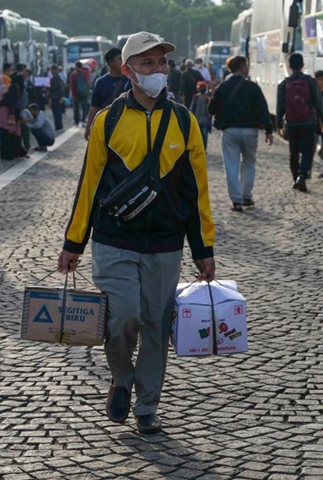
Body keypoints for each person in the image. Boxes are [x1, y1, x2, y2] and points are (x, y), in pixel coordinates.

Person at [58, 32, 215, 435]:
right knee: (123, 316)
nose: (158, 70)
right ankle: (121, 377)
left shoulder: (184, 120)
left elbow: (197, 189)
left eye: (162, 63)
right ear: (128, 71)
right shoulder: (107, 120)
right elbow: (88, 183)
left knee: (156, 326)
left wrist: (203, 248)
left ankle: (147, 404)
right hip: (114, 240)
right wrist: (73, 242)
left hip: (165, 243)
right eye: (147, 64)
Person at [208, 55, 273, 211]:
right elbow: (263, 110)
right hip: (250, 131)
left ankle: (236, 200)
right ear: (243, 68)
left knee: (231, 165)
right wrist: (269, 131)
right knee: (249, 163)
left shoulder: (222, 87)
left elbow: (211, 109)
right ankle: (247, 196)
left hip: (230, 131)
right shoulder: (253, 87)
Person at [276, 53, 323, 192]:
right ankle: (302, 175)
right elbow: (318, 102)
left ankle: (295, 177)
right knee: (307, 151)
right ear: (303, 65)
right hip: (308, 121)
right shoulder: (310, 81)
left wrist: (278, 122)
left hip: (292, 122)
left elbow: (280, 105)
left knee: (294, 151)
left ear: (289, 66)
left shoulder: (284, 83)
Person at [84, 48, 130, 141]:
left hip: (126, 125)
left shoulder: (130, 80)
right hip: (106, 125)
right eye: (119, 59)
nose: (122, 61)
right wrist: (88, 127)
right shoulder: (101, 82)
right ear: (110, 61)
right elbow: (94, 107)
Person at [0, 72, 27, 160]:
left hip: (6, 111)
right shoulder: (16, 88)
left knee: (5, 134)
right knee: (12, 134)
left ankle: (7, 154)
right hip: (11, 112)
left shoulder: (8, 87)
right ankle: (14, 152)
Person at [189, 81, 212, 149]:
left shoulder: (206, 98)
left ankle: (203, 149)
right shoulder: (196, 97)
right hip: (199, 119)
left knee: (203, 136)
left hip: (203, 120)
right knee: (200, 136)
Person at [69, 61, 91, 126]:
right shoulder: (86, 72)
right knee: (84, 107)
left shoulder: (73, 74)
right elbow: (89, 82)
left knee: (76, 108)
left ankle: (76, 121)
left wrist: (73, 94)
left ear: (77, 67)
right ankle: (83, 120)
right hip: (85, 93)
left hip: (77, 94)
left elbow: (72, 85)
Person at [48, 64, 67, 131]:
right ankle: (59, 126)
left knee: (56, 113)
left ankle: (58, 126)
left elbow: (54, 88)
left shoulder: (54, 78)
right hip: (58, 97)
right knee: (58, 112)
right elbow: (62, 88)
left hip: (55, 97)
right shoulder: (58, 77)